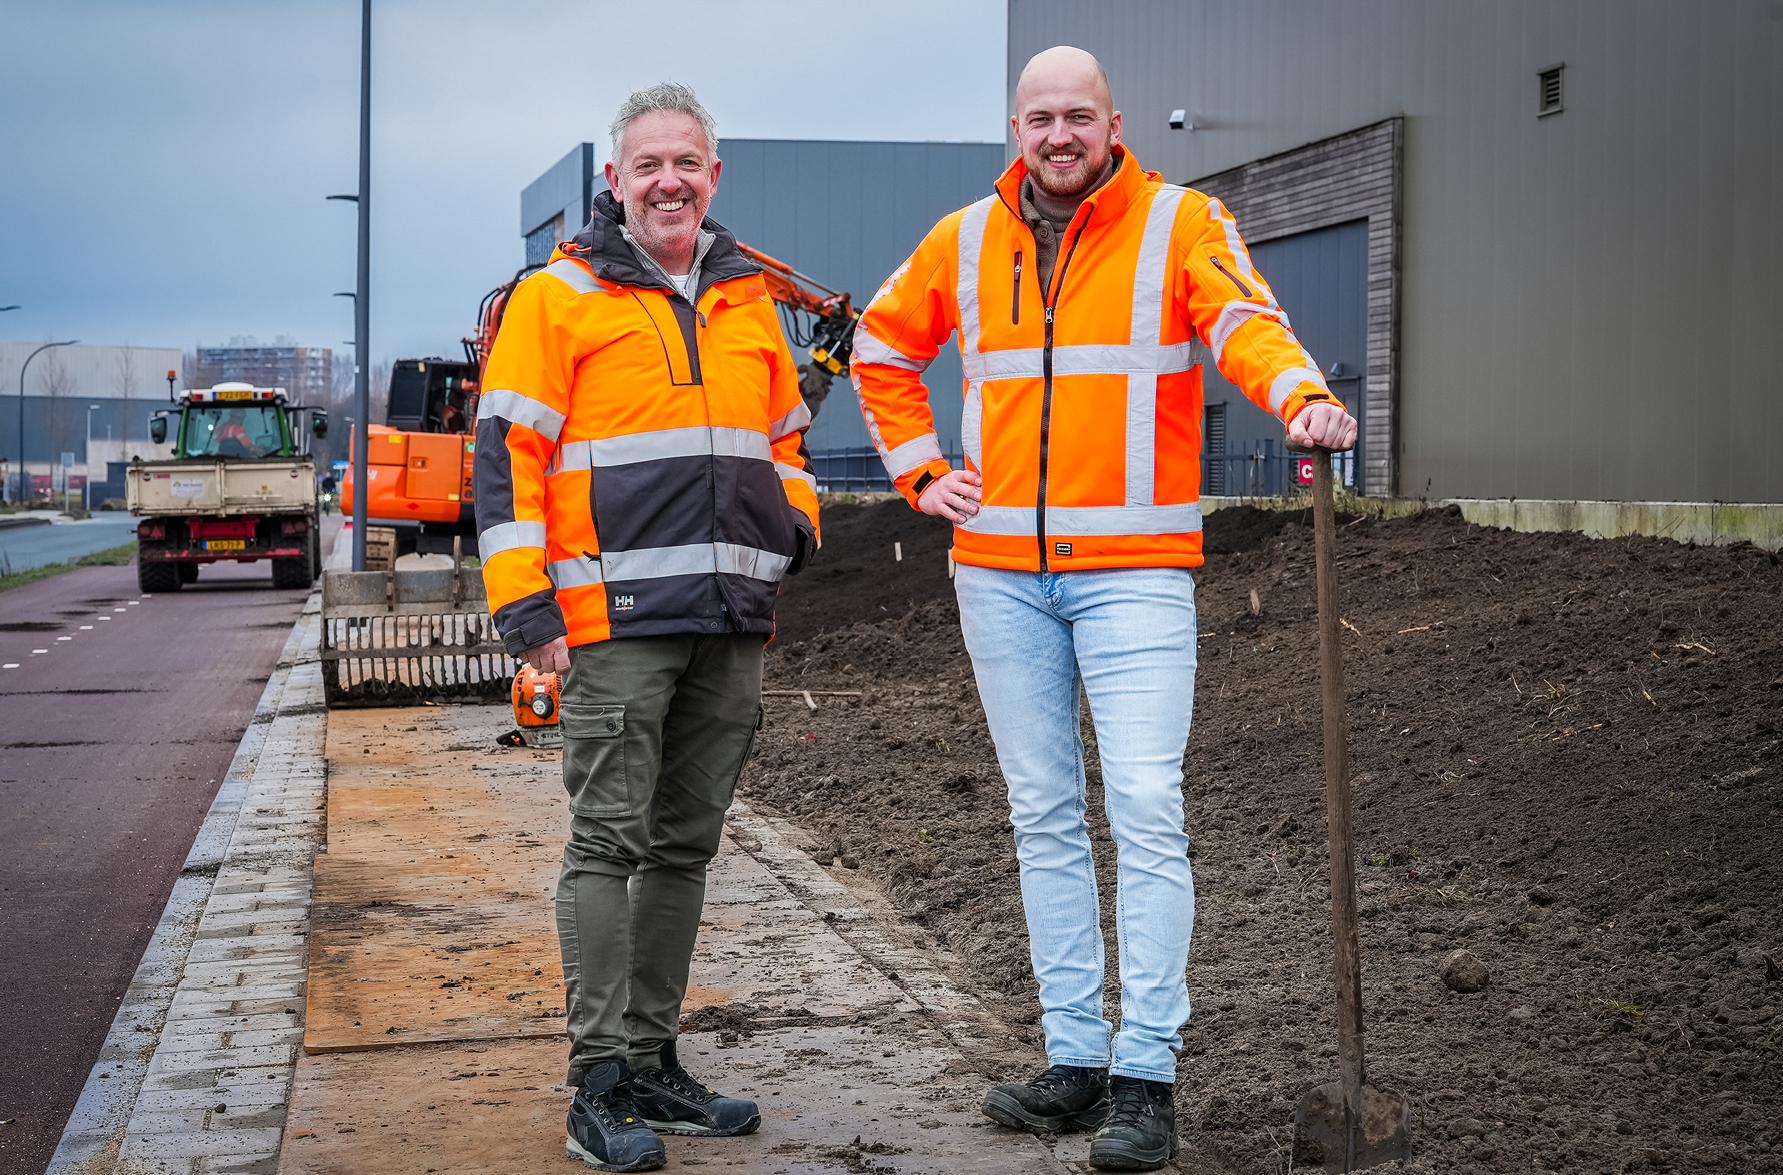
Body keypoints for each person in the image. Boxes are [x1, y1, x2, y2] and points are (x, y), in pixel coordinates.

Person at [850, 46, 1357, 1172]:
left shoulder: (1180, 221)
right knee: (1042, 812)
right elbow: (879, 347)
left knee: (1140, 802)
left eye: (1078, 115)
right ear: (1016, 128)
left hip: (1133, 571)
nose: (1059, 134)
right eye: (1040, 117)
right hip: (997, 573)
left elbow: (1245, 324)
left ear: (1113, 122)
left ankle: (1146, 1074)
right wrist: (923, 470)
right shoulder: (962, 239)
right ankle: (1073, 1057)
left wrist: (1303, 399)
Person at [474, 82, 820, 1173]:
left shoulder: (747, 297)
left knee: (683, 846)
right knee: (606, 844)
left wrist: (792, 533)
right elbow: (505, 463)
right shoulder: (556, 297)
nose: (668, 181)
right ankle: (599, 1081)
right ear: (614, 183)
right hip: (611, 626)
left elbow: (788, 442)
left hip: (728, 620)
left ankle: (655, 1056)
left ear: (713, 178)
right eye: (647, 165)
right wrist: (527, 610)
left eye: (688, 163)